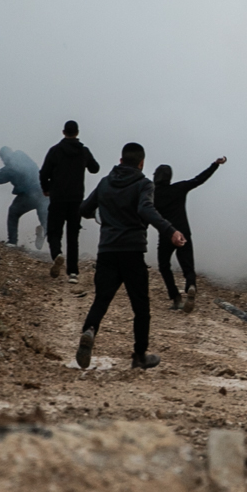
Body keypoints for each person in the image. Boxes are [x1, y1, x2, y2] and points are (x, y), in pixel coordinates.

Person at [74, 142, 185, 370]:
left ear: (121, 160)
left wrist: (101, 214)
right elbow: (145, 209)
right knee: (141, 307)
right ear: (141, 163)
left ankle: (89, 330)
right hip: (132, 252)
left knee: (101, 300)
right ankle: (139, 356)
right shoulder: (144, 184)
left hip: (107, 251)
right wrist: (170, 231)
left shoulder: (105, 182)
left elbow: (84, 209)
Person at [153, 156, 225, 312]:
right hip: (183, 232)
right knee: (188, 265)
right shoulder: (179, 188)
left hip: (166, 234)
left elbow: (145, 215)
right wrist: (215, 165)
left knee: (164, 266)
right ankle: (191, 285)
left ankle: (175, 297)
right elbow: (199, 179)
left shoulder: (152, 195)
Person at [40, 120, 100, 282]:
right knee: (73, 235)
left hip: (57, 198)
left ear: (63, 132)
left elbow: (44, 173)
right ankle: (73, 273)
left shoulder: (55, 151)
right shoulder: (83, 151)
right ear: (77, 133)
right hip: (76, 199)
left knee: (54, 231)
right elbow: (95, 168)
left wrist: (46, 188)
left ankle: (57, 254)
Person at [0, 147, 48, 250]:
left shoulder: (9, 168)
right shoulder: (21, 156)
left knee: (13, 211)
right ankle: (45, 231)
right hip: (43, 191)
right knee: (44, 216)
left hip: (28, 195)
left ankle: (12, 241)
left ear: (3, 158)